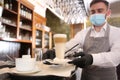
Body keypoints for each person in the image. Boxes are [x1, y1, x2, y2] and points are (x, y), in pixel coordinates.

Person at [65, 0, 120, 80]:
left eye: (100, 11)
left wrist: (91, 59)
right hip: (86, 77)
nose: (96, 14)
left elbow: (116, 57)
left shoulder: (116, 32)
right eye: (93, 12)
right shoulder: (83, 33)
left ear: (108, 13)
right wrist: (55, 51)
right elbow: (71, 45)